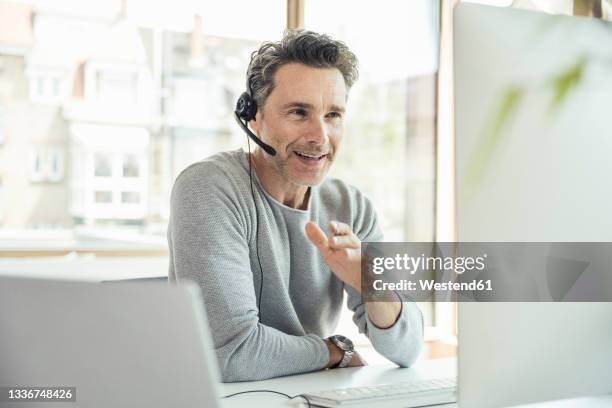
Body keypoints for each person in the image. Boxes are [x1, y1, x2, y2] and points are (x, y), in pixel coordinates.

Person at [167, 29, 423, 382]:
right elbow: (233, 354)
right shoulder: (210, 188)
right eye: (299, 112)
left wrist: (367, 280)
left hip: (306, 395)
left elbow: (408, 348)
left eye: (333, 115)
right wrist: (334, 350)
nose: (320, 136)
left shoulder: (351, 206)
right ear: (252, 117)